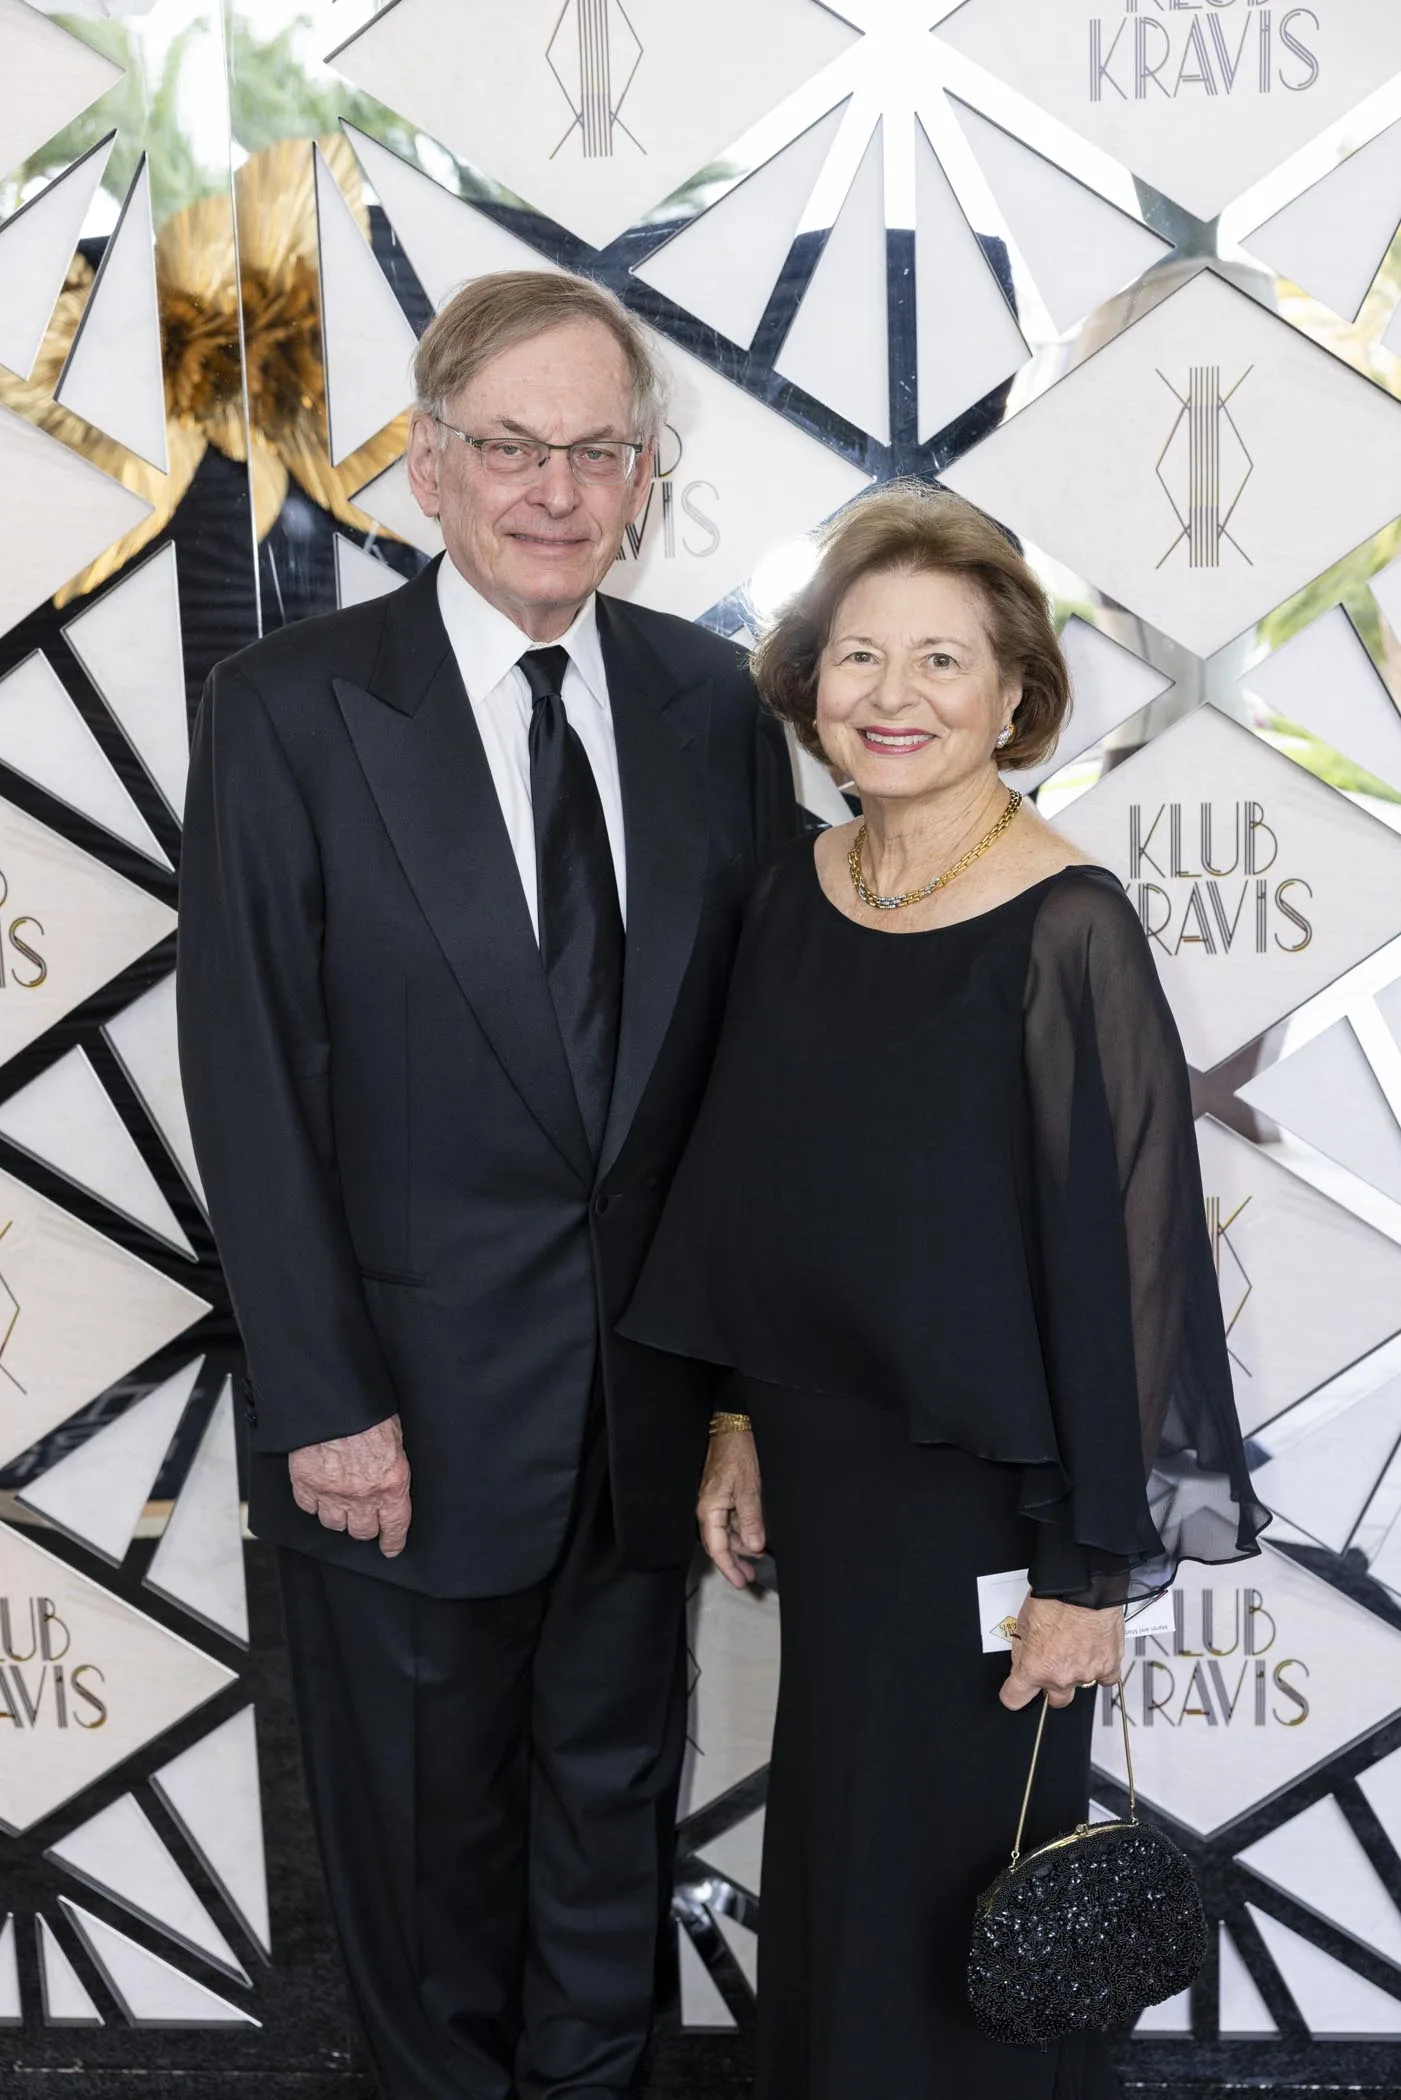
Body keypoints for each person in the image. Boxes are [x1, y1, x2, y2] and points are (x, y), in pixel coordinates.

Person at [176, 269, 796, 2100]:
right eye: (513, 445)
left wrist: (737, 1399)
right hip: (400, 1425)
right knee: (426, 1886)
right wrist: (325, 1399)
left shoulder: (708, 702)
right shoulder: (291, 708)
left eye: (596, 450)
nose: (555, 489)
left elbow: (751, 1079)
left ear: (644, 475)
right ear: (428, 464)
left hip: (641, 1418)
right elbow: (251, 1076)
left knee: (610, 1856)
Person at [621, 484, 1268, 2100]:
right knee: (841, 1858)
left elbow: (1131, 1275)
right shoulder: (797, 886)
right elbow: (752, 1187)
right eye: (859, 657)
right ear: (810, 683)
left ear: (1013, 694)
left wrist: (1086, 1572)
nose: (892, 696)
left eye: (940, 661)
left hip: (995, 1512)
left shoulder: (1069, 927)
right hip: (829, 1474)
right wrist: (737, 1421)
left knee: (973, 1899)